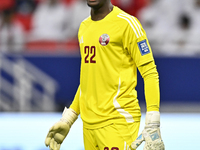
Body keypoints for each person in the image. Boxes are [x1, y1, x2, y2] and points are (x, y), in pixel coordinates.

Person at [45, 0, 165, 150]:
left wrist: (153, 121)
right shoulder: (84, 27)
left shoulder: (127, 24)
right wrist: (69, 118)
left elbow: (150, 73)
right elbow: (88, 80)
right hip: (89, 126)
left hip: (118, 122)